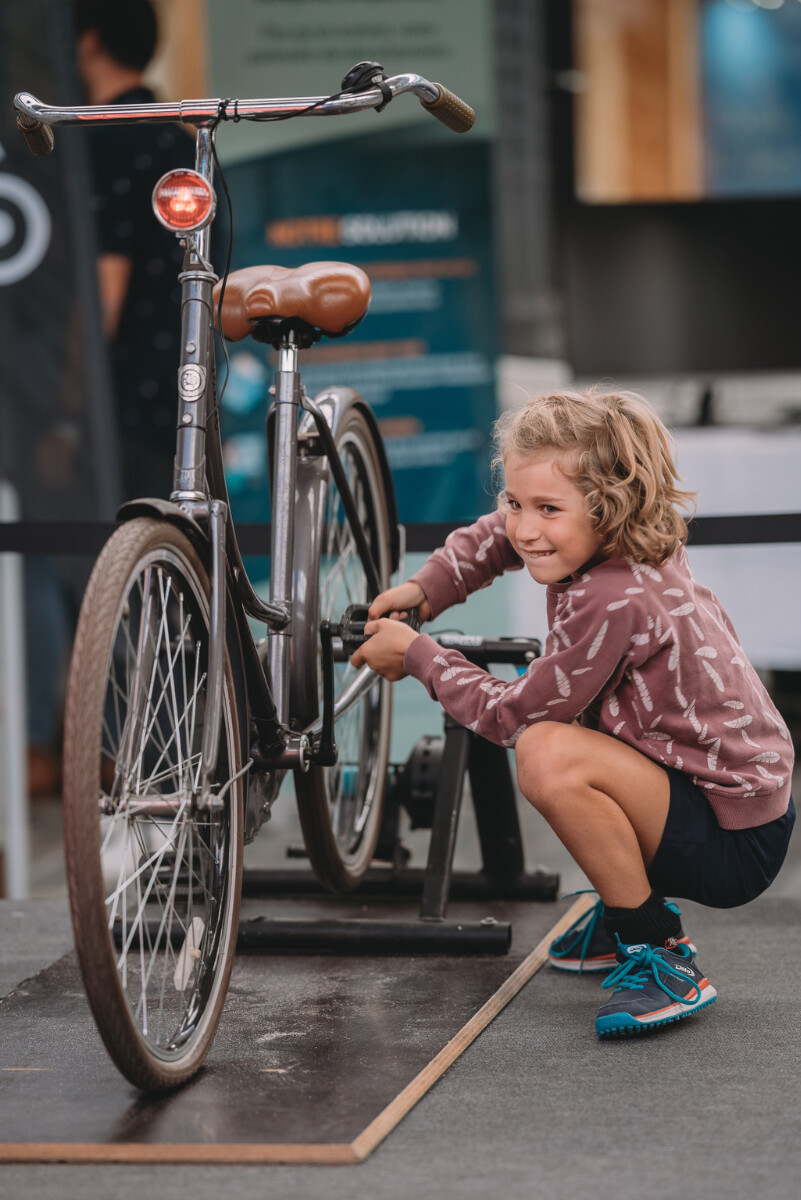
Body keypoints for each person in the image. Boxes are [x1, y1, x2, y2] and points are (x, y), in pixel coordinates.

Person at [352, 388, 796, 1039]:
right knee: (563, 734)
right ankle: (625, 904)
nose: (525, 527)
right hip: (717, 798)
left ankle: (653, 943)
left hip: (732, 842)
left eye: (547, 509)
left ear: (607, 507)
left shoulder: (612, 599)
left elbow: (510, 717)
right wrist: (432, 586)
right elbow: (503, 536)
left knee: (545, 750)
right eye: (514, 501)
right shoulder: (626, 539)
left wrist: (418, 654)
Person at [74, 0, 196, 499]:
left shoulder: (100, 142)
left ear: (88, 42)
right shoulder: (183, 142)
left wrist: (63, 415)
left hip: (117, 415)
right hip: (189, 403)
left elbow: (105, 291)